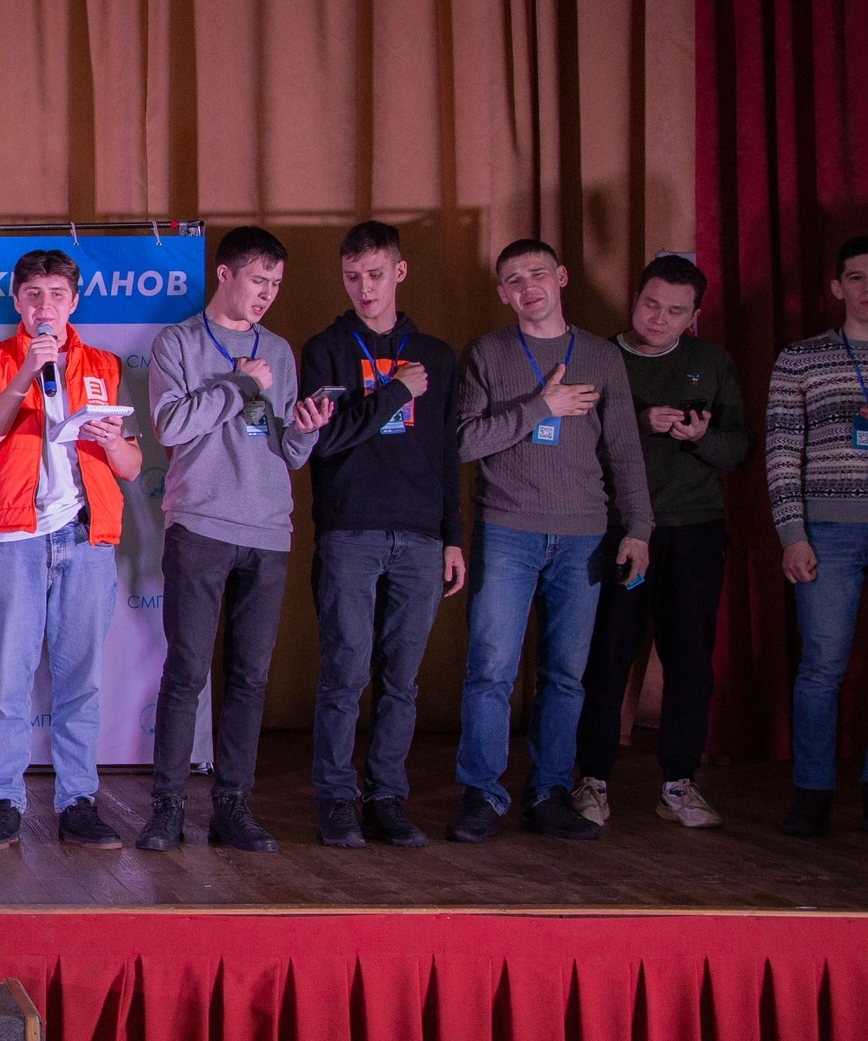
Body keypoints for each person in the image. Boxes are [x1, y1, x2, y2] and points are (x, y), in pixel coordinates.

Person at [453, 238, 653, 843]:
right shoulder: (487, 353)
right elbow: (463, 441)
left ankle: (549, 791)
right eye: (514, 280)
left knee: (566, 673)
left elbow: (624, 450)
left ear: (561, 277)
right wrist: (542, 406)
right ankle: (482, 795)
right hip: (506, 529)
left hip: (583, 535)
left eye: (537, 274)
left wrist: (639, 528)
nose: (528, 287)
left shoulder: (600, 356)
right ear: (502, 294)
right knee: (491, 669)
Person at [145, 227, 336, 853]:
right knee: (186, 672)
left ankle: (233, 807)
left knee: (251, 677)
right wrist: (241, 385)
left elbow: (288, 450)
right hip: (200, 525)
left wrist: (306, 428)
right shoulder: (177, 342)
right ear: (225, 274)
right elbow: (172, 425)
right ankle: (168, 808)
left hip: (269, 530)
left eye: (276, 284)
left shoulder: (277, 350)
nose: (267, 293)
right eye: (258, 280)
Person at [0, 249, 144, 852]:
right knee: (8, 681)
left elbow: (132, 466)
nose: (46, 306)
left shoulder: (104, 365)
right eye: (34, 295)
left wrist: (113, 442)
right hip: (15, 539)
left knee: (80, 681)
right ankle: (4, 802)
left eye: (57, 295)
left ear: (74, 301)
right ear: (17, 300)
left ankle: (78, 802)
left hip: (85, 538)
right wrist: (26, 373)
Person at [296, 222, 465, 850]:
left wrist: (453, 536)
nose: (364, 288)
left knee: (402, 679)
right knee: (345, 672)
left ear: (399, 272)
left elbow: (447, 452)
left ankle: (387, 797)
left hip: (421, 536)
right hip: (350, 531)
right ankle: (337, 799)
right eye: (352, 277)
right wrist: (395, 392)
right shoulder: (326, 349)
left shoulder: (437, 355)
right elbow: (325, 441)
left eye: (374, 275)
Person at [571, 255, 748, 831]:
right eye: (651, 304)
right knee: (607, 656)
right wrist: (638, 424)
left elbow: (738, 449)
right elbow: (569, 446)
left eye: (675, 311)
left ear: (693, 316)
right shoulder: (600, 357)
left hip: (693, 528)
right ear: (635, 298)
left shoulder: (710, 362)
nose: (658, 318)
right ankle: (592, 779)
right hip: (616, 526)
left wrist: (701, 437)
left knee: (689, 660)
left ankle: (678, 782)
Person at [767, 234, 868, 843]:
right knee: (821, 669)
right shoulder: (799, 360)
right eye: (856, 277)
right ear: (837, 288)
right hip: (827, 532)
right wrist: (792, 534)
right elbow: (782, 452)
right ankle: (812, 797)